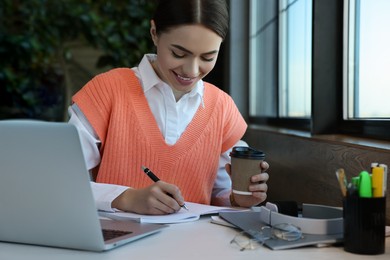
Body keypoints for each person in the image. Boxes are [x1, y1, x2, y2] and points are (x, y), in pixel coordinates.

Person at [68, 0, 269, 215]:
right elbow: (62, 179)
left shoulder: (222, 108)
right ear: (154, 33)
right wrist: (125, 198)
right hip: (116, 243)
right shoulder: (107, 90)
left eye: (207, 57)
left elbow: (219, 194)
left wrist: (239, 198)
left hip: (195, 245)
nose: (191, 71)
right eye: (179, 54)